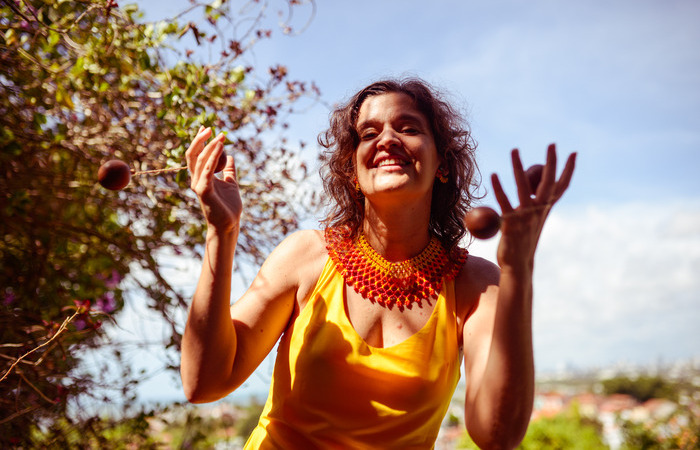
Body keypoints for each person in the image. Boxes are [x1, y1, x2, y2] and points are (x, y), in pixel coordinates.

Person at [180, 78, 576, 449]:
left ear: (442, 164)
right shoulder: (306, 257)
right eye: (369, 133)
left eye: (408, 128)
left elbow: (496, 434)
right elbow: (203, 383)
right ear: (352, 171)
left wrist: (519, 270)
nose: (387, 139)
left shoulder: (478, 285)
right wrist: (222, 231)